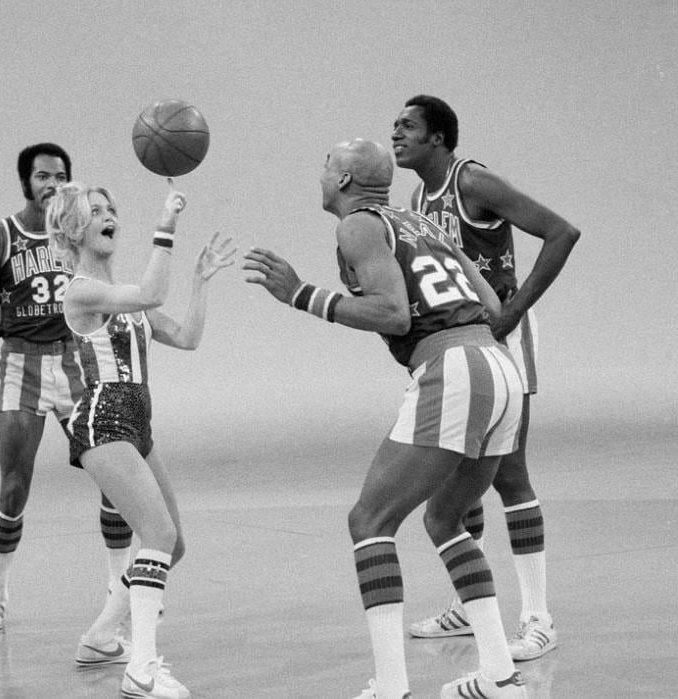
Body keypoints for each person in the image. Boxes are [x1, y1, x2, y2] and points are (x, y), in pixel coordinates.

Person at [243, 139, 527, 698]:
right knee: (446, 521)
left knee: (369, 522)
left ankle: (392, 688)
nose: (320, 172)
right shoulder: (423, 224)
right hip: (499, 366)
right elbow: (494, 306)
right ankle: (500, 677)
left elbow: (395, 315)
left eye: (327, 164)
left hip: (453, 368)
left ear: (347, 181)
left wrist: (300, 294)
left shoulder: (359, 225)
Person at [392, 95, 580, 660]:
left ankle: (538, 618)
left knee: (509, 475)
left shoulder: (471, 182)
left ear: (439, 139)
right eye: (394, 125)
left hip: (502, 339)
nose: (395, 134)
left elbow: (561, 232)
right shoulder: (418, 197)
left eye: (408, 126)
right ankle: (468, 605)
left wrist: (514, 310)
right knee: (460, 464)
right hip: (461, 347)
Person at [46, 181, 234, 699]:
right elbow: (151, 291)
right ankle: (142, 671)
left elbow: (188, 337)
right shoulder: (81, 290)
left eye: (112, 208)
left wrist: (199, 281)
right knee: (157, 536)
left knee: (172, 543)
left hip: (138, 421)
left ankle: (101, 637)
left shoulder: (127, 295)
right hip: (103, 418)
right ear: (73, 229)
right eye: (95, 211)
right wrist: (166, 225)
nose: (109, 216)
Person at [0, 143, 135, 633]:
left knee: (115, 475)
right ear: (25, 182)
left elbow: (110, 288)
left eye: (60, 176)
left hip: (78, 360)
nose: (52, 184)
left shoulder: (79, 234)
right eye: (42, 176)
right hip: (22, 366)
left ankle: (119, 587)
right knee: (14, 485)